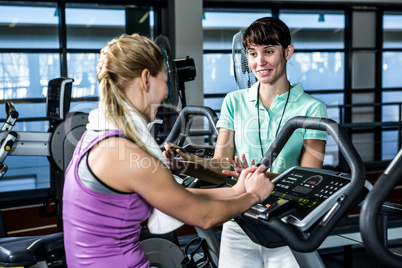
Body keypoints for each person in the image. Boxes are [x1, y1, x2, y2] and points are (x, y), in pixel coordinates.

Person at [62, 33, 274, 268]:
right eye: (165, 79)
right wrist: (254, 196)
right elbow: (204, 216)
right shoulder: (126, 153)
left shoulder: (96, 135)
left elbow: (178, 197)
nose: (166, 93)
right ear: (146, 79)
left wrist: (238, 191)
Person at [164, 17, 327, 267]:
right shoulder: (234, 101)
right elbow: (220, 165)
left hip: (286, 224)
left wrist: (252, 177)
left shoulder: (312, 108)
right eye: (252, 53)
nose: (259, 62)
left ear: (288, 52)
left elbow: (310, 179)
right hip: (239, 220)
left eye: (269, 52)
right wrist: (183, 161)